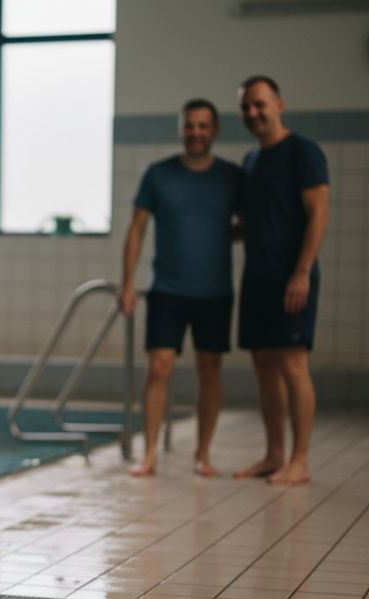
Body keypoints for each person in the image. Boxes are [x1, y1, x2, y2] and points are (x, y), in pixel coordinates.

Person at [119, 98, 242, 478]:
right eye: (190, 126)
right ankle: (150, 453)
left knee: (210, 369)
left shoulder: (231, 177)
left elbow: (251, 223)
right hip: (168, 289)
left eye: (203, 126)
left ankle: (202, 454)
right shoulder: (159, 174)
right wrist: (127, 284)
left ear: (215, 131)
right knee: (159, 367)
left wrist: (219, 236)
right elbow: (136, 228)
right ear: (181, 129)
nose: (196, 133)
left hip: (215, 290)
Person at [233, 75, 329, 485]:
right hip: (257, 276)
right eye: (246, 107)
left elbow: (318, 213)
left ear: (279, 104)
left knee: (293, 363)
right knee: (263, 366)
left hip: (293, 276)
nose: (253, 113)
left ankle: (300, 461)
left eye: (259, 104)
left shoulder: (303, 152)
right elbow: (251, 222)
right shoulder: (251, 160)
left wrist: (302, 271)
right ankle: (274, 455)